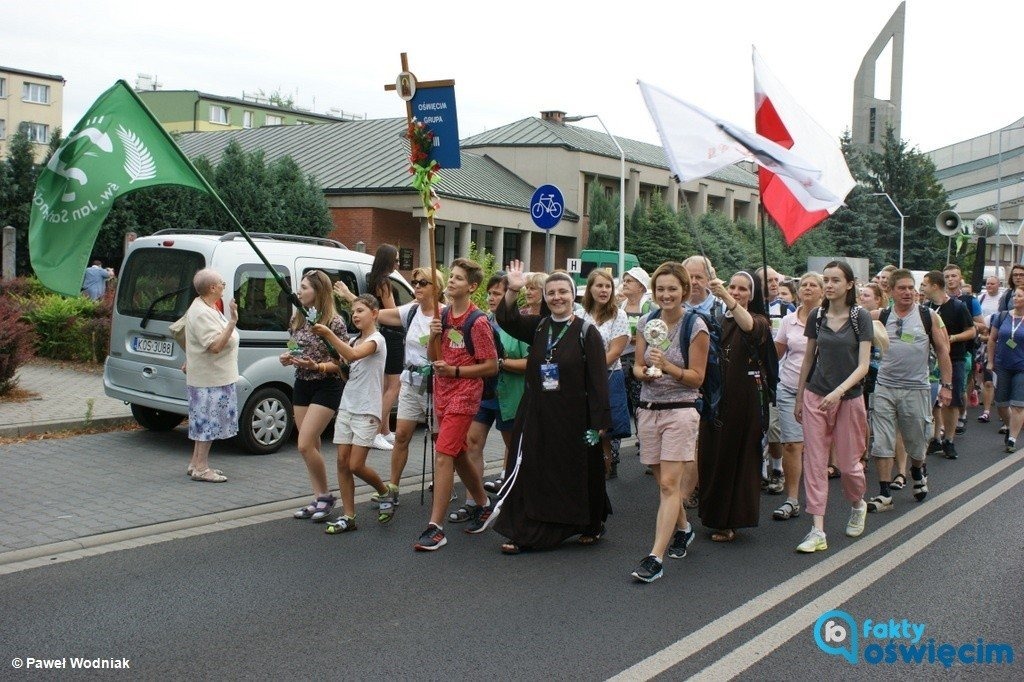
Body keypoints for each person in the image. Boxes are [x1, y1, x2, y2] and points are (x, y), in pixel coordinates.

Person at [491, 262, 611, 554]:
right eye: (551, 293)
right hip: (536, 413)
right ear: (544, 298)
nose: (557, 297)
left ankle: (587, 523)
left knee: (574, 472)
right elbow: (506, 319)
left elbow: (597, 381)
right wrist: (513, 290)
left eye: (563, 292)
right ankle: (527, 529)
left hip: (572, 419)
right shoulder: (540, 326)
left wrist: (599, 425)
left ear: (574, 296)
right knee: (529, 469)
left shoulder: (587, 332)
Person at [334, 267, 446, 510]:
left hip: (438, 383)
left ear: (436, 288)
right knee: (402, 435)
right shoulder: (412, 310)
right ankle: (393, 487)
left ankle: (443, 482)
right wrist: (349, 297)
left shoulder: (444, 314)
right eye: (415, 282)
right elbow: (379, 315)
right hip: (411, 380)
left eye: (423, 283)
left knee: (439, 439)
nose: (416, 287)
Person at [630, 262, 708, 583]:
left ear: (684, 291)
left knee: (668, 485)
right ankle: (684, 528)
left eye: (672, 289)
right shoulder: (647, 322)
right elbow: (635, 366)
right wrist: (647, 370)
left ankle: (655, 558)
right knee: (664, 483)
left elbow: (697, 378)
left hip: (681, 409)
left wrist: (669, 367)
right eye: (660, 289)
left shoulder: (696, 326)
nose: (666, 295)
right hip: (649, 409)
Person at [413, 258, 499, 551]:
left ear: (472, 287)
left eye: (459, 278)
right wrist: (435, 333)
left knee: (442, 454)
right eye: (451, 276)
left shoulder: (479, 322)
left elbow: (490, 366)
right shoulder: (444, 314)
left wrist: (457, 371)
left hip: (465, 392)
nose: (451, 281)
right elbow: (431, 355)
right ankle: (485, 504)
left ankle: (435, 527)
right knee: (457, 452)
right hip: (443, 391)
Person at [794, 261, 872, 553]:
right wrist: (801, 396)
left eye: (835, 280)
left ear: (849, 284)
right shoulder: (817, 315)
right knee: (814, 463)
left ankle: (857, 503)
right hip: (816, 395)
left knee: (850, 466)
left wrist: (839, 392)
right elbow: (808, 359)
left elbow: (864, 365)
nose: (829, 285)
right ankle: (817, 530)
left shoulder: (859, 317)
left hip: (849, 398)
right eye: (826, 279)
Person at [868, 269, 952, 514]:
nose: (907, 292)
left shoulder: (928, 316)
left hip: (916, 388)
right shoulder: (879, 316)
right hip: (884, 386)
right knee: (882, 441)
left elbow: (944, 351)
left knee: (916, 441)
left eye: (910, 288)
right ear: (891, 291)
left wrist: (946, 386)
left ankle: (917, 470)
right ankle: (884, 493)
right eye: (902, 288)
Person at [697, 270, 770, 543]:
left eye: (743, 289)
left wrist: (726, 296)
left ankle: (731, 520)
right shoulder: (716, 319)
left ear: (753, 295)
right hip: (715, 398)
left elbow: (748, 325)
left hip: (743, 400)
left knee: (734, 457)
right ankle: (713, 514)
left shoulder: (759, 321)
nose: (737, 292)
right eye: (733, 287)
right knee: (711, 455)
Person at [314, 295, 396, 532]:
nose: (356, 315)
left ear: (374, 313)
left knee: (356, 465)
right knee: (342, 462)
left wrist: (329, 335)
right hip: (347, 406)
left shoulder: (377, 340)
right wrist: (318, 365)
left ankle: (384, 492)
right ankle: (348, 516)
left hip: (367, 410)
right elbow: (346, 372)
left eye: (361, 310)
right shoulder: (352, 341)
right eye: (353, 311)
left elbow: (353, 356)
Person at [281, 271, 348, 522]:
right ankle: (319, 495)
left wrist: (317, 366)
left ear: (318, 292)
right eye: (299, 287)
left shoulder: (335, 323)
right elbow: (294, 346)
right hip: (302, 383)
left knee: (304, 444)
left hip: (326, 386)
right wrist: (288, 357)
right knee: (312, 445)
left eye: (304, 287)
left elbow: (342, 364)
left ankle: (327, 497)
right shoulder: (297, 317)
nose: (299, 292)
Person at [467, 274, 530, 510]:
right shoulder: (482, 321)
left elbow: (530, 363)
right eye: (490, 293)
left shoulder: (520, 324)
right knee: (472, 443)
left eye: (497, 293)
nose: (491, 297)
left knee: (512, 446)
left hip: (510, 394)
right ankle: (473, 500)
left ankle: (511, 495)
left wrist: (500, 364)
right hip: (484, 392)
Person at [770, 272, 824, 522]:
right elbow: (776, 354)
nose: (808, 288)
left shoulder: (831, 319)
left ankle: (817, 497)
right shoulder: (788, 321)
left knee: (815, 447)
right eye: (804, 284)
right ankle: (792, 499)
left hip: (822, 393)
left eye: (814, 285)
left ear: (823, 291)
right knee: (792, 444)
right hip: (790, 389)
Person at [183, 268, 238, 483]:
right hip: (210, 379)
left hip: (211, 376)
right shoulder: (202, 312)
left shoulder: (206, 307)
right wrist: (232, 322)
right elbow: (214, 345)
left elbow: (198, 341)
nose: (224, 286)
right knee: (208, 424)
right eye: (222, 283)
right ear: (212, 288)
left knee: (202, 422)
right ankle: (201, 469)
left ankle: (196, 463)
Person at [580, 268, 631, 480]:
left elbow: (615, 351)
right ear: (590, 288)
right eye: (599, 285)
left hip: (608, 378)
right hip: (582, 380)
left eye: (608, 286)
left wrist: (591, 370)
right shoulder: (579, 314)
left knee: (605, 435)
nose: (604, 290)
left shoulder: (619, 314)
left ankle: (603, 476)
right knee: (584, 431)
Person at [922, 270, 975, 460]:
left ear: (935, 286)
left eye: (925, 284)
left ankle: (949, 440)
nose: (922, 288)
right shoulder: (925, 307)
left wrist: (952, 338)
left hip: (954, 359)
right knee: (935, 403)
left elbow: (971, 331)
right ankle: (936, 437)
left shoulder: (958, 306)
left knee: (950, 401)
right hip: (930, 361)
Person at [367, 244, 404, 451]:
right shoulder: (384, 283)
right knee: (394, 386)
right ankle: (377, 432)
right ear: (388, 260)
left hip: (382, 335)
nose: (398, 264)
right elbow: (393, 313)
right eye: (396, 260)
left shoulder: (373, 280)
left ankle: (385, 430)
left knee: (383, 386)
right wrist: (411, 307)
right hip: (393, 336)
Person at [615, 266, 653, 462]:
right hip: (619, 361)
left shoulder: (649, 308)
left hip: (640, 361)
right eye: (624, 280)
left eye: (629, 281)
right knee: (618, 402)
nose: (625, 284)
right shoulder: (619, 307)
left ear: (640, 286)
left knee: (641, 403)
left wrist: (636, 340)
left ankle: (645, 443)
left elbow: (656, 336)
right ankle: (613, 454)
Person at [988, 287, 1024, 452]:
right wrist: (990, 361)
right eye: (1015, 295)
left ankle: (1012, 439)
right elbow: (992, 340)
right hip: (1002, 365)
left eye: (1019, 296)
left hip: (1021, 367)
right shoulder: (1002, 316)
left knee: (1018, 404)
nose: (1015, 298)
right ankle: (1010, 426)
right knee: (1001, 403)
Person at [977, 275, 1003, 423]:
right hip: (988, 343)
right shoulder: (981, 298)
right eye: (988, 283)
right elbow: (982, 327)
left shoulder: (1002, 300)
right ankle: (986, 411)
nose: (990, 286)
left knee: (1002, 381)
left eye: (993, 283)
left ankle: (1004, 410)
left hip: (1007, 347)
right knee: (988, 380)